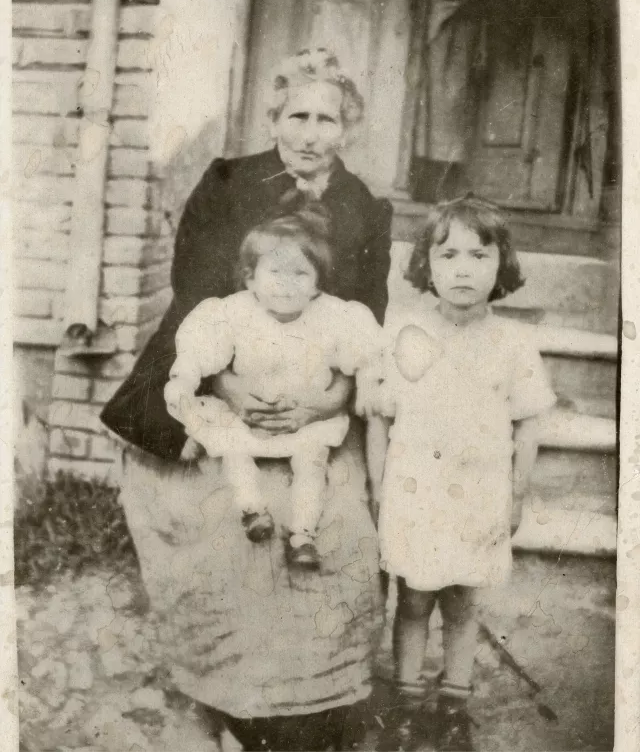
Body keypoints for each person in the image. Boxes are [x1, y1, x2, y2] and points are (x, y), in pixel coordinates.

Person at [101, 48, 392, 751]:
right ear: (274, 117)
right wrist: (226, 382)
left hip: (317, 384)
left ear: (347, 126)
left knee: (331, 520)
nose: (312, 132)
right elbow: (194, 286)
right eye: (298, 115)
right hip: (218, 364)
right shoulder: (228, 181)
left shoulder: (367, 208)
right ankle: (226, 688)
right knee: (208, 514)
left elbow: (367, 315)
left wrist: (330, 399)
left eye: (328, 118)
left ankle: (309, 697)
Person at [367, 194, 556, 752]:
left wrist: (517, 495)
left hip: (479, 494)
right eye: (448, 256)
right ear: (426, 264)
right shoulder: (403, 332)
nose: (463, 270)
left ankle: (453, 703)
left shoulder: (513, 342)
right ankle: (404, 703)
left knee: (463, 603)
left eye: (479, 256)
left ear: (502, 266)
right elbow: (380, 416)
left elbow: (527, 425)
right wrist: (379, 489)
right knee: (415, 600)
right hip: (414, 492)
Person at [164, 208, 383, 570]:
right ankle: (252, 509)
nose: (286, 284)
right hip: (247, 414)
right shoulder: (234, 313)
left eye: (300, 274)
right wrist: (183, 380)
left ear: (316, 284)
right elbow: (199, 351)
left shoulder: (334, 316)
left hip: (306, 418)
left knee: (312, 463)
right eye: (275, 272)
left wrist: (371, 383)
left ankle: (302, 534)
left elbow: (367, 353)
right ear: (250, 279)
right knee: (233, 449)